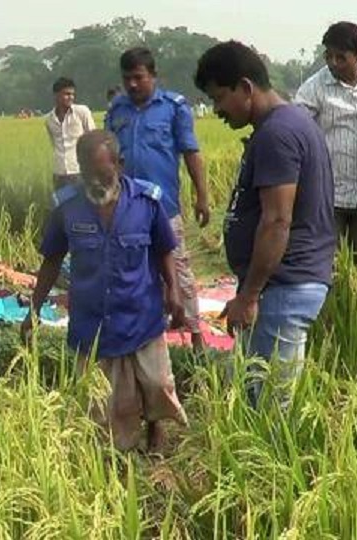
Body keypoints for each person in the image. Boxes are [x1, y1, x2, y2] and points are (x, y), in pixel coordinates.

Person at [21, 130, 187, 452]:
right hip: (92, 320)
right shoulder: (67, 208)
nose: (95, 181)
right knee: (104, 400)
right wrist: (33, 309)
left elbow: (165, 250)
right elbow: (51, 260)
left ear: (120, 165)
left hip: (141, 313)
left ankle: (154, 425)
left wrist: (174, 292)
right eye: (87, 174)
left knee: (156, 383)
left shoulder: (147, 202)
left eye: (103, 174)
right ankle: (115, 449)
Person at [195, 41, 335, 407]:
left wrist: (250, 295)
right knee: (257, 395)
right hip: (280, 285)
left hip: (284, 285)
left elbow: (277, 221)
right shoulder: (285, 125)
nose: (217, 110)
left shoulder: (278, 134)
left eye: (219, 97)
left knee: (271, 409)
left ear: (245, 86)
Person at [105, 47, 210, 352]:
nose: (133, 85)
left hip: (165, 207)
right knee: (135, 272)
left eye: (139, 77)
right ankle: (144, 334)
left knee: (178, 269)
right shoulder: (117, 111)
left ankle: (195, 336)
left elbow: (191, 153)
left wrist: (202, 196)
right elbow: (107, 156)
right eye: (127, 79)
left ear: (153, 76)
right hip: (127, 209)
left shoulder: (174, 107)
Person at [294, 22, 357, 266]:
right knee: (328, 265)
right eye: (329, 56)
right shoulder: (314, 88)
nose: (333, 63)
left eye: (341, 57)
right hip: (329, 194)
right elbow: (294, 126)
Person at [44, 77, 96, 190]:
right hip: (59, 172)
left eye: (72, 94)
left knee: (82, 205)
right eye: (66, 94)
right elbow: (55, 144)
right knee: (62, 205)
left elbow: (93, 139)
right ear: (56, 95)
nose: (71, 97)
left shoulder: (82, 112)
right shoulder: (49, 120)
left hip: (79, 170)